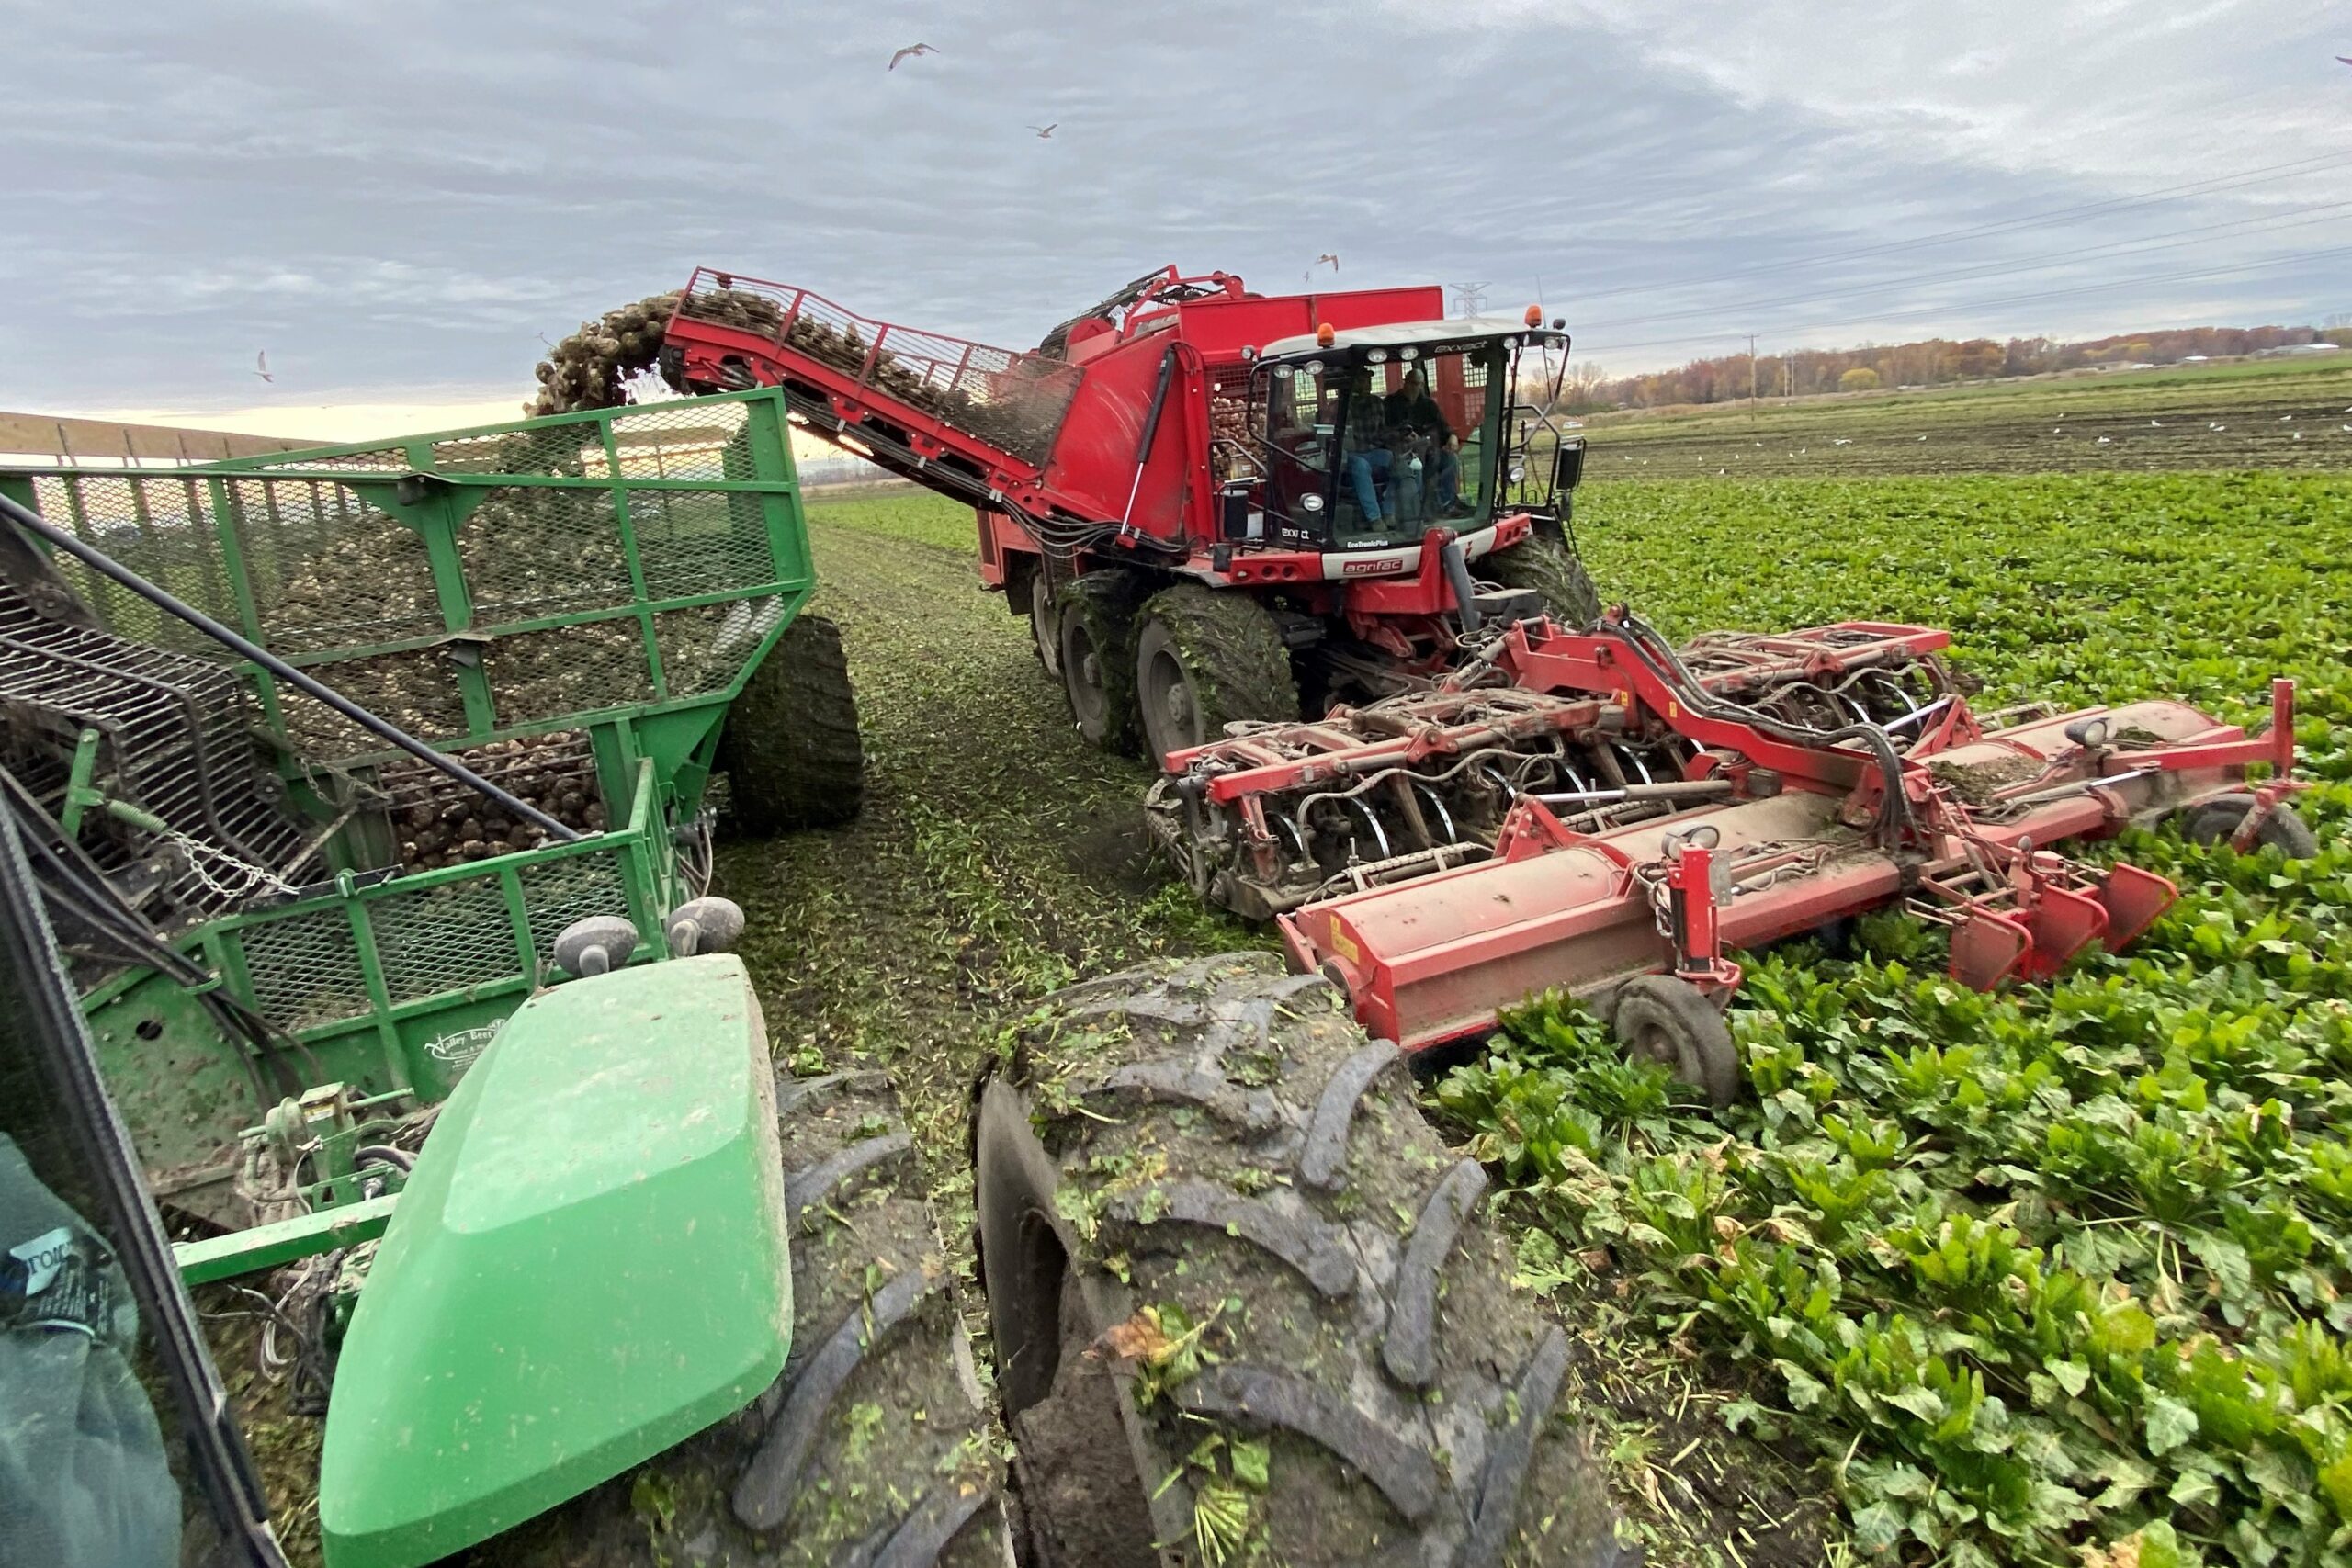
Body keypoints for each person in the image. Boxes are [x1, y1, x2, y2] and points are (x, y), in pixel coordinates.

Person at [1385, 367, 1464, 517]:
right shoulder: (1391, 403)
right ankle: (1417, 511)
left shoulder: (1428, 404)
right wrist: (1404, 435)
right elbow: (1386, 430)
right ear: (1405, 383)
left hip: (1430, 450)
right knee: (1416, 464)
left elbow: (1443, 425)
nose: (1417, 388)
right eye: (1414, 383)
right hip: (1404, 451)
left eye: (1420, 384)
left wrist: (1452, 436)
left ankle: (1447, 503)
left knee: (1451, 459)